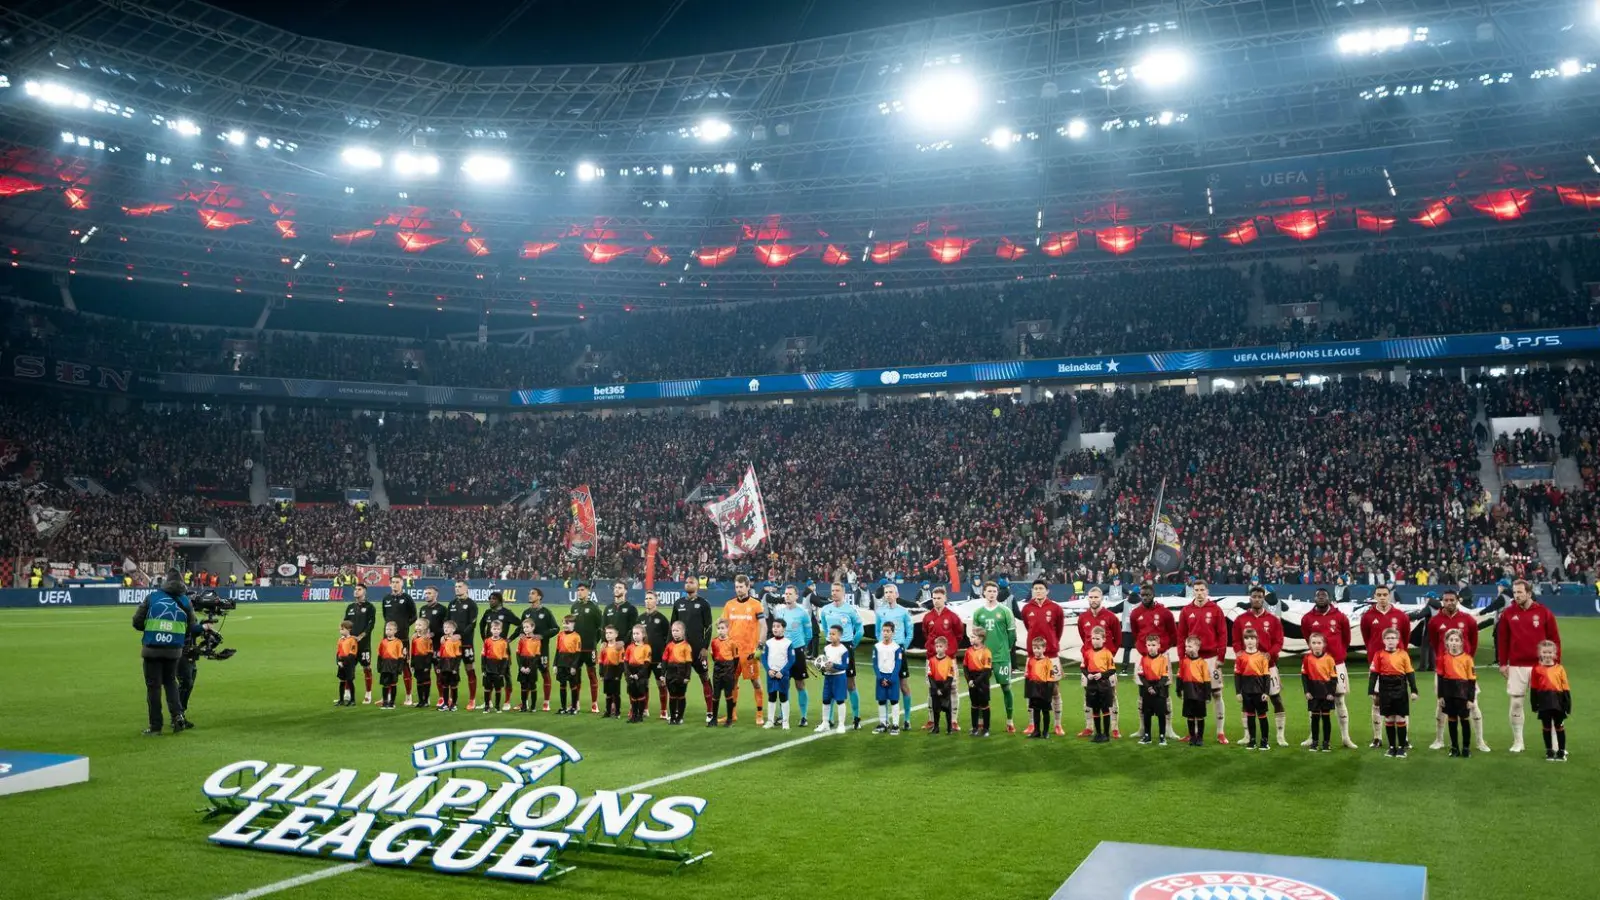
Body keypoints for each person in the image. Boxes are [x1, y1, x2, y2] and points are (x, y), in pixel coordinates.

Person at [1495, 578, 1562, 753]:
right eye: (1515, 592)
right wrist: (1503, 663)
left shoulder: (1544, 612)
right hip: (1517, 665)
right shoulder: (1508, 614)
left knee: (1551, 705)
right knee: (1516, 703)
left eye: (1520, 592)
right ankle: (1518, 741)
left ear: (1529, 593)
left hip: (1542, 666)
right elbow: (1503, 640)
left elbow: (1555, 640)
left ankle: (1555, 744)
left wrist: (1556, 664)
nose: (1516, 596)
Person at [1427, 589, 1490, 753]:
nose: (1449, 602)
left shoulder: (1468, 619)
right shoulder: (1435, 621)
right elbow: (1434, 642)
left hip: (1464, 669)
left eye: (1452, 599)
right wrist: (1443, 659)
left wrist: (1464, 660)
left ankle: (1480, 741)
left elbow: (1474, 642)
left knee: (1473, 704)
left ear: (1457, 600)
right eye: (1446, 600)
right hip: (1444, 670)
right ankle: (1439, 739)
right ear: (1442, 601)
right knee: (1441, 704)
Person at [133, 572, 195, 735]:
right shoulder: (185, 601)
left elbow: (137, 621)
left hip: (152, 648)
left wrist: (153, 628)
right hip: (174, 650)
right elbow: (191, 627)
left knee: (153, 688)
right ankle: (178, 717)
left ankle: (155, 726)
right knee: (171, 683)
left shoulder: (153, 597)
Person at [1300, 588, 1358, 749]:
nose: (1320, 598)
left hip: (1336, 664)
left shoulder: (1340, 617)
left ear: (1329, 598)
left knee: (1339, 699)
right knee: (1314, 701)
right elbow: (1307, 637)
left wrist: (1338, 655)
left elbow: (1346, 638)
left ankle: (1345, 737)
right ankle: (1313, 737)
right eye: (1318, 595)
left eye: (1324, 596)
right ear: (1314, 598)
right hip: (1315, 665)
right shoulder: (1307, 618)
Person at [1234, 585, 1288, 746]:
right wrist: (1238, 653)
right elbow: (1236, 641)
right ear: (1250, 598)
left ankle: (1280, 735)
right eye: (1254, 596)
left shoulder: (1272, 620)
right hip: (1248, 668)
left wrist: (1270, 654)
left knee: (1276, 698)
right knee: (1246, 700)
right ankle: (1247, 735)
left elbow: (1279, 641)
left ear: (1263, 599)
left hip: (1268, 666)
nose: (1257, 599)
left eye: (1259, 597)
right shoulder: (1241, 619)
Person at [1359, 585, 1412, 749]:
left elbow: (1406, 637)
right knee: (1377, 700)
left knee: (1401, 701)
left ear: (1390, 596)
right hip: (1377, 665)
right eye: (1379, 595)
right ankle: (1377, 737)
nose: (1382, 597)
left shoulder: (1401, 616)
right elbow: (1367, 639)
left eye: (1385, 595)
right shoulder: (1367, 616)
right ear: (1374, 596)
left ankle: (1404, 739)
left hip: (1397, 667)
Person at [1127, 582, 1179, 739]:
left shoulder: (1164, 613)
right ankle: (1142, 728)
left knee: (1165, 691)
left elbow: (1173, 634)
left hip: (1162, 656)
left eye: (1147, 595)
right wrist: (1143, 650)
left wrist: (1163, 649)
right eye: (1142, 595)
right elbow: (1136, 634)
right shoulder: (1135, 613)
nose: (1145, 598)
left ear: (1153, 595)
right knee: (1142, 692)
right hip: (1143, 657)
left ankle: (1168, 729)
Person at [971, 581, 1019, 733]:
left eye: (994, 591)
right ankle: (979, 721)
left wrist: (1007, 648)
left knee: (1006, 687)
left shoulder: (1005, 611)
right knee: (980, 688)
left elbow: (1012, 634)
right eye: (989, 591)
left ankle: (1010, 720)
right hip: (982, 658)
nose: (991, 594)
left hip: (1001, 656)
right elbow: (975, 635)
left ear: (997, 593)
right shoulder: (978, 612)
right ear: (983, 593)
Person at [818, 582, 865, 730]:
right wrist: (829, 640)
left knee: (850, 684)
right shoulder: (825, 610)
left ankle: (856, 717)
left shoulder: (850, 610)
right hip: (830, 648)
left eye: (837, 590)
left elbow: (860, 630)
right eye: (832, 590)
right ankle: (829, 720)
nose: (834, 592)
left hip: (846, 646)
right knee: (830, 681)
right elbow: (825, 628)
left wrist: (851, 645)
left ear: (843, 592)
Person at [1074, 585, 1119, 738]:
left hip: (1105, 665)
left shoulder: (1111, 617)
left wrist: (1106, 657)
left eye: (1096, 597)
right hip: (1089, 664)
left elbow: (1117, 640)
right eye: (1091, 597)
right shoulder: (1083, 618)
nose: (1093, 600)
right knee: (1088, 694)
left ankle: (1114, 728)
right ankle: (1089, 727)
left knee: (1111, 695)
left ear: (1102, 598)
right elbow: (1084, 637)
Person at [671, 578, 716, 725]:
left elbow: (708, 627)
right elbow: (673, 626)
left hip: (698, 650)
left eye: (691, 582)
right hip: (681, 651)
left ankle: (710, 712)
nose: (688, 584)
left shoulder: (703, 604)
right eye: (687, 582)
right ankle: (677, 712)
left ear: (697, 585)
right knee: (679, 681)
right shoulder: (678, 604)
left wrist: (705, 647)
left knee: (705, 679)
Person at [723, 575, 768, 724]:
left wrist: (760, 645)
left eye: (741, 587)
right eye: (736, 587)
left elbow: (764, 626)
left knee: (755, 682)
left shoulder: (756, 604)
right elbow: (724, 626)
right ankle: (732, 714)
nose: (738, 590)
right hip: (733, 652)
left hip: (749, 652)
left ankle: (759, 714)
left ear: (748, 587)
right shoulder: (729, 605)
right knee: (732, 682)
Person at [1368, 627, 1418, 757]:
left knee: (1400, 717)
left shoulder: (1403, 654)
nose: (1391, 641)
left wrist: (1414, 690)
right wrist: (1371, 691)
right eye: (1388, 638)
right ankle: (1391, 747)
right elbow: (1374, 674)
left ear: (1398, 640)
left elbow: (1410, 673)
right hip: (1385, 688)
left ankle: (1401, 748)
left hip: (1400, 688)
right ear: (1384, 640)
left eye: (1393, 638)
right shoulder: (1378, 654)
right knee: (1389, 718)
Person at [922, 586, 965, 730]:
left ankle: (953, 720)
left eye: (939, 598)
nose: (936, 601)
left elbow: (959, 634)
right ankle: (931, 720)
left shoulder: (952, 616)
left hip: (949, 659)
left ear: (945, 598)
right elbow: (925, 634)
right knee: (931, 688)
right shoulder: (928, 617)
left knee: (952, 688)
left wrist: (950, 648)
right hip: (932, 659)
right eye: (934, 598)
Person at [876, 583, 915, 730]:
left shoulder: (904, 612)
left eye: (891, 592)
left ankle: (907, 719)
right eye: (886, 592)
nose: (888, 595)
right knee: (884, 685)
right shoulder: (880, 612)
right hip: (885, 653)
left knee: (904, 686)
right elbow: (877, 632)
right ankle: (884, 720)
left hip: (899, 651)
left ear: (897, 594)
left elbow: (910, 632)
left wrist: (903, 645)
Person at [775, 585, 814, 728]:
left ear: (796, 596)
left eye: (790, 594)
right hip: (782, 652)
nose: (787, 596)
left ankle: (804, 717)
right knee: (782, 684)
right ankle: (782, 715)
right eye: (786, 594)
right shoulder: (779, 612)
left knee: (799, 684)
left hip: (797, 652)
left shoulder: (803, 613)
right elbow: (777, 631)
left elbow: (809, 634)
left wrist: (801, 647)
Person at [1435, 629, 1478, 758]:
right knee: (1452, 720)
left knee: (1464, 720)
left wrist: (1470, 699)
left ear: (1461, 643)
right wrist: (1440, 696)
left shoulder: (1467, 659)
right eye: (1451, 640)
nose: (1454, 643)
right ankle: (1454, 747)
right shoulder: (1443, 658)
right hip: (1448, 692)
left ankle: (1466, 748)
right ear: (1447, 642)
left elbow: (1472, 680)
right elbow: (1440, 678)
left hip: (1462, 692)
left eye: (1456, 640)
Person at [520, 588, 560, 712]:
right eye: (529, 593)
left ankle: (546, 702)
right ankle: (525, 703)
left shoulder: (546, 612)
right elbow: (521, 628)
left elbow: (555, 628)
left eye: (533, 593)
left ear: (539, 597)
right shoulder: (526, 612)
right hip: (527, 651)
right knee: (526, 676)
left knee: (545, 673)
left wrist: (542, 636)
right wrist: (520, 634)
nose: (530, 595)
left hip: (542, 650)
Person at [569, 581, 605, 714]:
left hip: (589, 648)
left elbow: (600, 627)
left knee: (592, 675)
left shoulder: (594, 608)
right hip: (576, 649)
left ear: (588, 591)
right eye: (578, 590)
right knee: (575, 675)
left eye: (582, 590)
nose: (580, 592)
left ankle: (594, 703)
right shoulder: (574, 607)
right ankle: (575, 703)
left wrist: (595, 641)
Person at [479, 591, 519, 711]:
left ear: (500, 600)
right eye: (490, 599)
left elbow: (520, 624)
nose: (491, 601)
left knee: (505, 674)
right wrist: (485, 639)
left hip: (502, 648)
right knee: (488, 674)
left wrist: (510, 638)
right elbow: (481, 625)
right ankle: (489, 702)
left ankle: (507, 701)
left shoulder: (506, 613)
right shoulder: (487, 613)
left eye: (494, 599)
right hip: (490, 647)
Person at [1533, 639, 1571, 762]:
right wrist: (1534, 703)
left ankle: (1561, 751)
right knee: (1546, 727)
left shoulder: (1560, 669)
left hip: (1558, 702)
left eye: (1550, 652)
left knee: (1559, 726)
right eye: (1545, 652)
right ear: (1540, 653)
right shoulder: (1537, 669)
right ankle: (1549, 751)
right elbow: (1534, 687)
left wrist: (1567, 705)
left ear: (1554, 654)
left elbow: (1565, 688)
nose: (1547, 655)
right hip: (1544, 702)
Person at [1233, 629, 1272, 751]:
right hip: (1246, 692)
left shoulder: (1262, 657)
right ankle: (1252, 740)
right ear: (1244, 641)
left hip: (1259, 692)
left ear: (1257, 640)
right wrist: (1238, 692)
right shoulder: (1240, 657)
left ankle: (1264, 741)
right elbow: (1237, 676)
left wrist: (1266, 692)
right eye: (1246, 638)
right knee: (1250, 716)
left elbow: (1267, 676)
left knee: (1262, 716)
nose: (1249, 641)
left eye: (1252, 638)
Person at [638, 591, 673, 721]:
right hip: (644, 658)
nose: (648, 600)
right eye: (646, 598)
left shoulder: (662, 619)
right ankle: (644, 709)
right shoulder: (640, 618)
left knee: (661, 684)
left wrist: (666, 656)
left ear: (656, 601)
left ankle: (663, 711)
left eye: (650, 598)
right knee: (643, 683)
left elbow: (668, 639)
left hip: (659, 658)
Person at [1302, 632, 1338, 752]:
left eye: (1319, 643)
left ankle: (1326, 743)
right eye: (1314, 643)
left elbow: (1334, 678)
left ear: (1324, 645)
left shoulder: (1329, 659)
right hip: (1313, 693)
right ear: (1309, 645)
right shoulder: (1307, 658)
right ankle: (1315, 742)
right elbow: (1304, 677)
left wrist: (1331, 693)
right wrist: (1306, 691)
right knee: (1315, 718)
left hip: (1326, 693)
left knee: (1326, 718)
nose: (1316, 645)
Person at [447, 581, 480, 710]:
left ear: (466, 588)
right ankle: (452, 699)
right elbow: (447, 621)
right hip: (452, 643)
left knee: (469, 669)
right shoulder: (452, 604)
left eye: (460, 586)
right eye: (455, 587)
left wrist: (460, 635)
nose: (457, 589)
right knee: (451, 671)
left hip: (466, 643)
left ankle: (472, 699)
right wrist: (448, 635)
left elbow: (472, 624)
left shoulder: (471, 604)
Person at [381, 587, 417, 705]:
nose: (395, 584)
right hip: (388, 639)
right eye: (393, 582)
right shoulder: (386, 599)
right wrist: (389, 629)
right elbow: (385, 616)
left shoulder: (407, 598)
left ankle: (408, 696)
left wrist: (404, 626)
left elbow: (414, 616)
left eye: (397, 582)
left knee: (405, 665)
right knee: (387, 666)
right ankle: (387, 696)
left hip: (402, 638)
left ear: (401, 583)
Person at [343, 585, 378, 705]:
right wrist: (344, 635)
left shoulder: (370, 607)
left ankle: (368, 693)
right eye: (355, 589)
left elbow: (371, 624)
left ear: (365, 592)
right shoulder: (350, 607)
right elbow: (345, 623)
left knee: (366, 668)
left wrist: (361, 636)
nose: (356, 591)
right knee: (348, 667)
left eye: (359, 589)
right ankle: (347, 692)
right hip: (350, 643)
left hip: (363, 644)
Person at [1081, 626, 1116, 743]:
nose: (1094, 640)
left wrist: (1102, 675)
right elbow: (1083, 667)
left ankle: (1106, 734)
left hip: (1103, 684)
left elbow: (1112, 670)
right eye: (1093, 638)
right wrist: (1088, 675)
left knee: (1105, 708)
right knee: (1095, 709)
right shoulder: (1087, 653)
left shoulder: (1107, 653)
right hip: (1092, 684)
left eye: (1097, 638)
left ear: (1103, 639)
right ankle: (1098, 733)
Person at [816, 625, 851, 734]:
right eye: (829, 633)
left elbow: (845, 666)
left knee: (840, 701)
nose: (830, 636)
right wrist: (822, 668)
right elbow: (824, 662)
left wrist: (834, 665)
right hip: (828, 677)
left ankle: (841, 724)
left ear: (839, 636)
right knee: (826, 700)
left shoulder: (844, 650)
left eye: (833, 634)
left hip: (839, 678)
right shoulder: (826, 648)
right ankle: (825, 723)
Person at [1136, 633, 1170, 746]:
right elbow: (1141, 675)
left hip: (1159, 690)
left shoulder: (1163, 659)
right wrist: (1149, 687)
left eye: (1153, 645)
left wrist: (1156, 688)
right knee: (1146, 713)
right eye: (1149, 645)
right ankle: (1147, 736)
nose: (1151, 647)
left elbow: (1165, 677)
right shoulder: (1143, 659)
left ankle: (1162, 736)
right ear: (1146, 645)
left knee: (1161, 714)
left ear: (1158, 646)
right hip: (1147, 688)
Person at [1024, 637, 1060, 740]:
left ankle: (1045, 732)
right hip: (1034, 688)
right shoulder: (1031, 661)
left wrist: (1048, 692)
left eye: (1038, 648)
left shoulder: (1047, 662)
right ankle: (1036, 731)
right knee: (1035, 710)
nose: (1036, 650)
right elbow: (1029, 675)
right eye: (1034, 648)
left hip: (1044, 688)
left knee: (1045, 711)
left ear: (1044, 649)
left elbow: (1050, 677)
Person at [873, 623, 905, 734]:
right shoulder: (877, 647)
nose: (885, 633)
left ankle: (895, 724)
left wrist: (891, 679)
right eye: (884, 631)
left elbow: (898, 665)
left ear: (893, 633)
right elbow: (875, 664)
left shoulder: (896, 648)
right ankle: (883, 723)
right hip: (881, 677)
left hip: (893, 678)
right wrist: (880, 678)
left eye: (888, 631)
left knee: (894, 701)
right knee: (881, 701)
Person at [764, 618, 796, 730]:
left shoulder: (788, 643)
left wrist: (782, 672)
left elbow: (791, 660)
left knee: (783, 697)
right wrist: (768, 670)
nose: (775, 628)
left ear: (784, 629)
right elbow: (764, 658)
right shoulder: (768, 643)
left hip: (782, 676)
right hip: (771, 674)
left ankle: (785, 721)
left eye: (778, 626)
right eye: (773, 626)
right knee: (771, 697)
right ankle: (770, 721)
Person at [1178, 636, 1210, 747]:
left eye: (1190, 646)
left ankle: (1200, 738)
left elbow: (1206, 680)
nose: (1187, 648)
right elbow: (1180, 677)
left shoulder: (1202, 663)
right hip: (1187, 692)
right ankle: (1192, 737)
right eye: (1186, 646)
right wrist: (1179, 689)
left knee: (1200, 716)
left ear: (1197, 647)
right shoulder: (1183, 662)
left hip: (1199, 693)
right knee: (1190, 716)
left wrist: (1207, 696)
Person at [963, 625, 994, 737]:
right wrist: (969, 680)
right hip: (972, 679)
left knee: (984, 704)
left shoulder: (986, 652)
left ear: (980, 639)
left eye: (973, 637)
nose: (970, 638)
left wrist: (975, 682)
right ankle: (975, 728)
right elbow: (965, 668)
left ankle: (986, 729)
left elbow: (987, 671)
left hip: (982, 680)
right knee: (974, 704)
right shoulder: (968, 651)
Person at [662, 621, 695, 726]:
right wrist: (663, 674)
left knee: (680, 696)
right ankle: (672, 717)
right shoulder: (669, 646)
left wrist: (687, 676)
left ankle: (680, 717)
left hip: (681, 672)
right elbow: (664, 661)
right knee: (672, 696)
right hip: (670, 673)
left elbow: (689, 663)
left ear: (683, 632)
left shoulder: (686, 646)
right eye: (673, 631)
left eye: (677, 630)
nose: (675, 633)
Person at [709, 618, 741, 726]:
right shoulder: (714, 642)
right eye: (718, 628)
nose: (720, 630)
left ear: (728, 629)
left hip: (728, 670)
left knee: (728, 695)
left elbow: (736, 659)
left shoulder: (732, 643)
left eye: (723, 628)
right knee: (716, 695)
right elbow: (713, 656)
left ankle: (729, 719)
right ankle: (714, 719)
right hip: (717, 670)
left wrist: (732, 671)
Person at [553, 615, 584, 716]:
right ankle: (563, 707)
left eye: (568, 623)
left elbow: (578, 653)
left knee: (573, 685)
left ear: (573, 624)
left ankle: (574, 707)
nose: (565, 625)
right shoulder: (560, 635)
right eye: (564, 623)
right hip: (561, 663)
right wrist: (555, 665)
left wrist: (574, 666)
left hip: (571, 664)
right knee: (562, 685)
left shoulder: (577, 636)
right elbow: (557, 651)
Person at [927, 636, 956, 734]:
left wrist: (943, 689)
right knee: (936, 708)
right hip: (935, 687)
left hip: (945, 687)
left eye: (941, 646)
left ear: (946, 648)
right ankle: (936, 727)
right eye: (937, 646)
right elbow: (930, 676)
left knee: (947, 708)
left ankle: (949, 728)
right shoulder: (931, 661)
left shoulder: (949, 661)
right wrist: (935, 689)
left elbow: (950, 677)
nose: (938, 648)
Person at [481, 620, 511, 714]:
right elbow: (483, 656)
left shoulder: (503, 642)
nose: (496, 631)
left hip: (498, 668)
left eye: (498, 629)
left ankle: (498, 706)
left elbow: (505, 658)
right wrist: (483, 669)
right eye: (494, 628)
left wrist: (502, 672)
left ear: (501, 630)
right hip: (488, 667)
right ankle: (486, 706)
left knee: (498, 688)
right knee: (487, 688)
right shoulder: (487, 641)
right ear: (491, 629)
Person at [624, 624, 653, 723]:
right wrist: (628, 674)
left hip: (641, 672)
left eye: (637, 633)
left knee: (640, 694)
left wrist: (638, 675)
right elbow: (625, 662)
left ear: (643, 635)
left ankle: (640, 715)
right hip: (631, 671)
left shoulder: (646, 647)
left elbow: (647, 664)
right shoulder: (629, 647)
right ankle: (634, 715)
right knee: (633, 694)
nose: (635, 635)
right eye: (634, 633)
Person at [514, 620, 544, 713]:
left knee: (532, 685)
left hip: (532, 663)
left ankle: (533, 706)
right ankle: (524, 706)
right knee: (523, 685)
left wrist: (530, 667)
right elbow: (518, 654)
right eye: (524, 627)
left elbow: (537, 655)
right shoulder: (521, 639)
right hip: (523, 662)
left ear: (532, 627)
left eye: (527, 627)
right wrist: (521, 667)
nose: (525, 629)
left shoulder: (537, 640)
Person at [377, 621, 406, 709]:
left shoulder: (398, 642)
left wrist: (399, 669)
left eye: (390, 629)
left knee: (393, 684)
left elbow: (400, 656)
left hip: (394, 665)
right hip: (385, 665)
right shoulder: (383, 642)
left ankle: (392, 702)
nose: (388, 631)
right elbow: (380, 655)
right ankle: (385, 702)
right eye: (386, 629)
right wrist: (379, 666)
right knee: (385, 684)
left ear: (395, 631)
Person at [597, 626, 625, 719]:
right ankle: (608, 711)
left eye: (610, 633)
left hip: (615, 672)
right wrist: (601, 674)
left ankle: (617, 712)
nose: (608, 635)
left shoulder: (619, 647)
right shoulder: (603, 647)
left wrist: (619, 675)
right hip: (606, 672)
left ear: (616, 635)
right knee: (608, 693)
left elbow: (621, 662)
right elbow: (600, 661)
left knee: (616, 693)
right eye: (606, 633)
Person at [436, 620, 463, 711]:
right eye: (445, 627)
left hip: (452, 664)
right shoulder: (442, 639)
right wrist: (439, 666)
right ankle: (445, 703)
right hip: (444, 664)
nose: (446, 629)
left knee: (453, 685)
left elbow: (458, 656)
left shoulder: (456, 641)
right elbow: (441, 654)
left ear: (454, 629)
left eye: (448, 627)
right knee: (445, 684)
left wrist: (455, 668)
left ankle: (454, 704)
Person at [409, 620, 435, 710]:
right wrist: (412, 663)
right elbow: (412, 651)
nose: (417, 626)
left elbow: (430, 652)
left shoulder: (427, 639)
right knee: (419, 680)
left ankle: (426, 700)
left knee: (426, 680)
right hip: (417, 661)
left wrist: (427, 665)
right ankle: (421, 701)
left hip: (425, 660)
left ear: (425, 627)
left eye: (420, 625)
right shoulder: (414, 637)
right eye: (416, 625)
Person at [334, 620, 360, 707]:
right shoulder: (340, 640)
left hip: (349, 663)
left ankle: (352, 700)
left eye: (342, 629)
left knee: (349, 680)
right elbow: (338, 652)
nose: (340, 631)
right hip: (341, 662)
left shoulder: (352, 640)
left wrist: (344, 663)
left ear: (348, 629)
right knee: (342, 681)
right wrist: (338, 662)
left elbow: (352, 654)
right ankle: (341, 700)